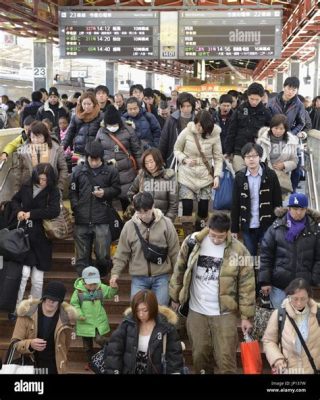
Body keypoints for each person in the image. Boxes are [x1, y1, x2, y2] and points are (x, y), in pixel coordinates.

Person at [169, 213, 256, 374]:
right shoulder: (193, 242)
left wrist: (246, 316)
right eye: (213, 235)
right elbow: (179, 269)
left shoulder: (239, 250)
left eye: (220, 237)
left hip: (225, 313)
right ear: (208, 228)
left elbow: (247, 285)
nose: (216, 240)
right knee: (200, 355)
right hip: (197, 311)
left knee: (226, 358)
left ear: (228, 232)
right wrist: (175, 296)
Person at [110, 192, 180, 305]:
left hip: (161, 275)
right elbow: (122, 252)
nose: (143, 216)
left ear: (153, 207)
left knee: (161, 310)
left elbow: (175, 251)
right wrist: (115, 273)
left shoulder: (166, 223)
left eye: (146, 211)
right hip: (139, 277)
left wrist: (178, 275)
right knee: (137, 309)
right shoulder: (129, 226)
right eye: (139, 212)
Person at [10, 163, 60, 310]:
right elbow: (14, 200)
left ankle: (33, 311)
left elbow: (54, 211)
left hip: (42, 239)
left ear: (50, 179)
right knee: (23, 275)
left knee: (37, 280)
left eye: (45, 179)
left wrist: (32, 214)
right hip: (25, 238)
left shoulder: (53, 191)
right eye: (40, 178)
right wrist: (18, 211)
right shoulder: (27, 186)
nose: (42, 182)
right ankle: (16, 307)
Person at [259, 193, 320, 309]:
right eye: (295, 208)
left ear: (306, 210)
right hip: (279, 286)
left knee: (301, 323)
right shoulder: (276, 228)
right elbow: (266, 255)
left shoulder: (314, 230)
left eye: (302, 209)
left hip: (303, 287)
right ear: (289, 208)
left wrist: (313, 279)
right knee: (279, 321)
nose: (298, 212)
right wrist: (265, 281)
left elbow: (319, 258)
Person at [70, 140, 121, 277]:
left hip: (102, 218)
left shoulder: (110, 171)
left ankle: (101, 276)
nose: (93, 162)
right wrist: (76, 207)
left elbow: (117, 189)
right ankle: (83, 283)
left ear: (101, 157)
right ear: (86, 157)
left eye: (96, 159)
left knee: (103, 256)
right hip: (82, 218)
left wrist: (105, 192)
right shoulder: (78, 171)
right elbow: (73, 191)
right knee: (82, 257)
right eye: (91, 159)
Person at [104, 289, 184, 374]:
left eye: (145, 310)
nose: (141, 314)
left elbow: (174, 356)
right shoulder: (127, 323)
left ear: (153, 307)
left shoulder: (166, 327)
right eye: (137, 310)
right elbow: (114, 351)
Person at [174, 110, 223, 235]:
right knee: (187, 207)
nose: (200, 129)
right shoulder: (186, 132)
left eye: (203, 126)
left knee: (203, 209)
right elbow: (177, 149)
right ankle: (188, 236)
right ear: (195, 122)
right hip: (187, 174)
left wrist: (217, 175)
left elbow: (218, 157)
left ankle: (200, 234)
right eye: (198, 125)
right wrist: (185, 159)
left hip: (205, 176)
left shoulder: (215, 135)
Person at [11, 281, 77, 374]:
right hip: (30, 364)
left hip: (55, 366)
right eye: (49, 298)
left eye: (55, 299)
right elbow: (14, 343)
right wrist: (30, 344)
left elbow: (66, 346)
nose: (51, 301)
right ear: (44, 298)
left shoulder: (66, 319)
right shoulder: (26, 314)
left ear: (60, 301)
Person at [231, 143, 282, 261]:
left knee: (267, 257)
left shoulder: (271, 175)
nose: (251, 159)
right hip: (247, 226)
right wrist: (234, 228)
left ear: (260, 157)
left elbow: (277, 202)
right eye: (248, 156)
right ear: (244, 159)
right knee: (250, 258)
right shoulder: (239, 177)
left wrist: (277, 225)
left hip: (267, 225)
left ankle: (265, 279)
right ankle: (252, 279)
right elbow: (235, 204)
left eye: (254, 156)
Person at [263, 278, 320, 374]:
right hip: (289, 371)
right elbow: (268, 341)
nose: (299, 303)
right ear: (289, 296)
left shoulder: (317, 314)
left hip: (313, 370)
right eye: (295, 299)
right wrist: (277, 360)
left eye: (303, 299)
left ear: (309, 297)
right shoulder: (280, 314)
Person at [96, 105, 142, 212]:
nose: (112, 126)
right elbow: (97, 150)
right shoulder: (101, 132)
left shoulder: (128, 130)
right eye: (109, 125)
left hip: (127, 173)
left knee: (127, 203)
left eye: (114, 124)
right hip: (108, 172)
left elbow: (137, 151)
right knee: (110, 205)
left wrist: (140, 168)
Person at [70, 266, 118, 369]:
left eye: (95, 283)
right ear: (83, 281)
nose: (93, 286)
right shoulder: (78, 292)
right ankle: (91, 362)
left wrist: (113, 288)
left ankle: (111, 351)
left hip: (98, 321)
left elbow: (110, 294)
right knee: (87, 346)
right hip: (84, 323)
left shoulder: (100, 288)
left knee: (100, 339)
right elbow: (74, 304)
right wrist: (79, 314)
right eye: (90, 284)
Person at [268, 77, 306, 192]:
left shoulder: (299, 104)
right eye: (289, 88)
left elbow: (301, 123)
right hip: (273, 137)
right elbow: (267, 120)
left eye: (294, 90)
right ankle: (271, 189)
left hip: (289, 138)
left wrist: (291, 134)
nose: (291, 92)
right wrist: (272, 132)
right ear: (284, 87)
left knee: (296, 162)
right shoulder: (272, 102)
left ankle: (292, 190)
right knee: (271, 161)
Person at [224, 82, 272, 173]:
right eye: (251, 99)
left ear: (262, 97)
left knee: (256, 180)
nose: (254, 102)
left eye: (257, 99)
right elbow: (231, 131)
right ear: (247, 96)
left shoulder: (266, 113)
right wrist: (228, 151)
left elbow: (271, 132)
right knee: (240, 178)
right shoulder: (240, 110)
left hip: (258, 152)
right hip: (239, 151)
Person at [15, 120, 68, 195]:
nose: (36, 140)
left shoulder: (56, 149)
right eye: (33, 137)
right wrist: (17, 190)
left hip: (51, 190)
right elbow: (18, 171)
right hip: (29, 190)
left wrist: (60, 188)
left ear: (45, 136)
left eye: (39, 137)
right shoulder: (24, 150)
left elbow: (63, 169)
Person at [127, 148, 178, 222]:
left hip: (161, 220)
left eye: (151, 162)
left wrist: (166, 222)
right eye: (146, 163)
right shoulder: (141, 175)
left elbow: (173, 206)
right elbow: (130, 193)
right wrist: (134, 198)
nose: (149, 166)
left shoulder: (169, 176)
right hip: (142, 220)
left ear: (158, 160)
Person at [256, 114, 299, 196]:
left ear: (285, 129)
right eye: (275, 128)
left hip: (281, 177)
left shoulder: (291, 142)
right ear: (271, 127)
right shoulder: (262, 140)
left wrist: (284, 165)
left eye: (281, 129)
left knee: (278, 203)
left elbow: (295, 161)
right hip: (264, 175)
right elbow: (257, 157)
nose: (278, 131)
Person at [159, 92, 196, 167]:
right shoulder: (171, 119)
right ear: (179, 106)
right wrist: (161, 159)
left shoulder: (197, 120)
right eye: (183, 106)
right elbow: (164, 140)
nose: (185, 109)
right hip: (173, 157)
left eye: (188, 106)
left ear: (192, 106)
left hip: (192, 159)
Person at [62, 92, 103, 157]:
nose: (86, 106)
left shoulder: (100, 116)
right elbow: (70, 133)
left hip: (94, 152)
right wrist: (62, 147)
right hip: (79, 151)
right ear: (81, 104)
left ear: (94, 104)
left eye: (89, 104)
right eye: (84, 104)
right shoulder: (76, 116)